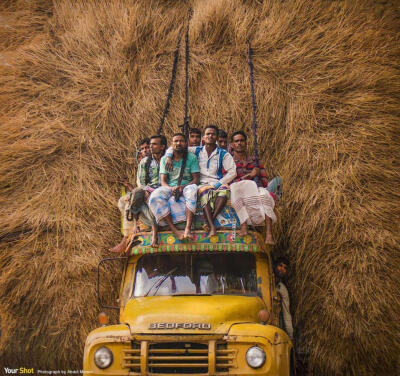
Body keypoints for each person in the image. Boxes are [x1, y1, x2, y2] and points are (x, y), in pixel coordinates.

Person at [166, 125, 236, 236]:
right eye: (208, 134)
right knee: (205, 192)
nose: (210, 136)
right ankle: (212, 226)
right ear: (203, 137)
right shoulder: (196, 150)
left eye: (213, 134)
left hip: (216, 181)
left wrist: (218, 183)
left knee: (224, 191)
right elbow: (175, 147)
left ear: (217, 137)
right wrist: (169, 156)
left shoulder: (223, 153)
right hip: (201, 183)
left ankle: (209, 221)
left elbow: (233, 172)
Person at [110, 135, 166, 252]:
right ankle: (131, 230)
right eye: (144, 148)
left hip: (164, 189)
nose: (148, 149)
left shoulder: (168, 159)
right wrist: (145, 191)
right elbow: (141, 183)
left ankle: (141, 228)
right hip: (147, 190)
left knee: (132, 199)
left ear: (162, 147)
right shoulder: (145, 162)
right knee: (131, 198)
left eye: (151, 146)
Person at [229, 131, 281, 244]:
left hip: (254, 190)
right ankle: (244, 225)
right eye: (236, 141)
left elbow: (264, 179)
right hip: (239, 189)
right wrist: (250, 176)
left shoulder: (255, 161)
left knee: (264, 195)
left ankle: (268, 233)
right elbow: (229, 182)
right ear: (232, 144)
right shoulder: (229, 162)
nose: (239, 143)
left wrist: (264, 187)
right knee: (234, 188)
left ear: (246, 143)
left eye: (242, 140)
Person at [149, 133, 200, 240]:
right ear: (171, 144)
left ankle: (187, 229)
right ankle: (174, 230)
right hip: (170, 187)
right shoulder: (165, 159)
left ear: (186, 143)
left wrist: (182, 187)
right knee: (155, 196)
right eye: (175, 141)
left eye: (181, 141)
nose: (178, 143)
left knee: (192, 191)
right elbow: (163, 181)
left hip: (186, 186)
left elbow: (196, 179)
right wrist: (170, 188)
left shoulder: (192, 158)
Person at [274, 257, 294, 340]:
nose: (282, 269)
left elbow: (286, 312)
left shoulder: (282, 289)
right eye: (280, 266)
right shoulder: (263, 279)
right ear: (275, 266)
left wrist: (290, 334)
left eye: (285, 268)